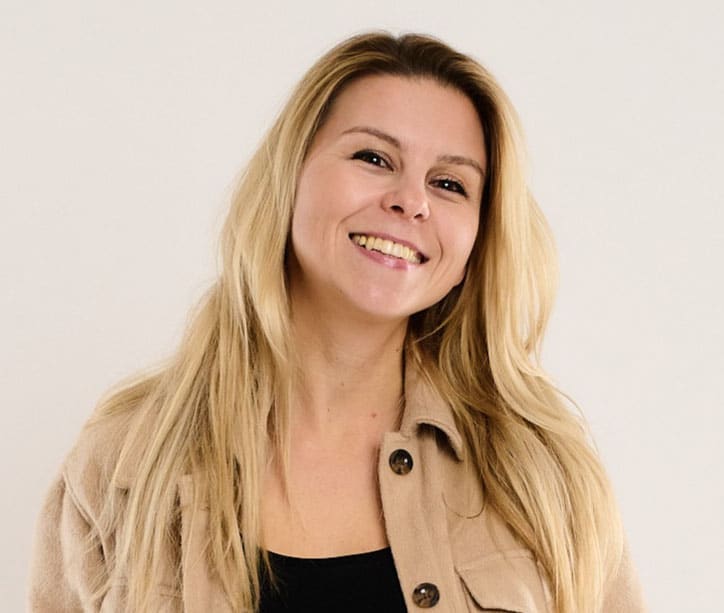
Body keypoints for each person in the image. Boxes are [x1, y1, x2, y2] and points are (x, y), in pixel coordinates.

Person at [28, 32, 645, 612]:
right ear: (289, 179)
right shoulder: (122, 468)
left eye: (450, 183)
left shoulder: (542, 476)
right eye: (373, 157)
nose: (412, 200)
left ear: (476, 245)